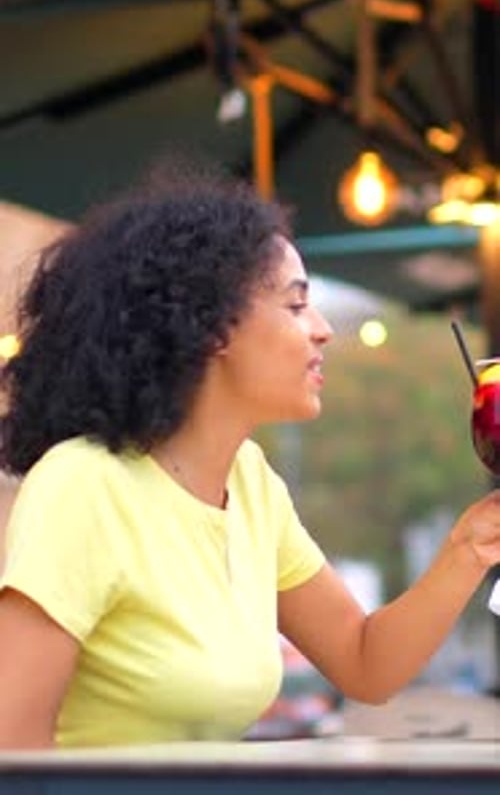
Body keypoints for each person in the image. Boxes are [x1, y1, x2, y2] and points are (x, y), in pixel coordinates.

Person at [0, 171, 499, 751]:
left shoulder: (251, 483)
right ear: (213, 327)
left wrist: (468, 549)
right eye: (295, 304)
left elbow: (366, 664)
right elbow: (11, 744)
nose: (321, 331)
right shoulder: (84, 485)